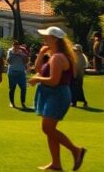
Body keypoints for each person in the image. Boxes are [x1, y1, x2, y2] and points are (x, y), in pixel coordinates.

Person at [28, 27, 86, 171]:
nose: (44, 39)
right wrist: (40, 55)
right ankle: (56, 163)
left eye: (46, 37)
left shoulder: (58, 57)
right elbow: (39, 70)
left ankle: (76, 150)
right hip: (53, 95)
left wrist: (37, 80)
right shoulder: (55, 55)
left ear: (54, 39)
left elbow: (53, 81)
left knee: (47, 128)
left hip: (57, 95)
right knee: (50, 129)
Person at [7, 40, 30, 109]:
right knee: (12, 88)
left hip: (21, 72)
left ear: (19, 46)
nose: (16, 46)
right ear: (13, 45)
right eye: (14, 45)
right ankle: (12, 103)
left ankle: (23, 103)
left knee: (23, 88)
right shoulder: (10, 51)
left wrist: (22, 55)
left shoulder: (22, 52)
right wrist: (13, 54)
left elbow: (26, 61)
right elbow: (8, 61)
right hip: (12, 72)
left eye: (17, 45)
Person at [70, 43, 88, 108]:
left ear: (80, 50)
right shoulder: (75, 56)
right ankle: (74, 102)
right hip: (74, 75)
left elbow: (78, 67)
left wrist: (74, 74)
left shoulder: (82, 57)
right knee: (74, 89)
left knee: (77, 89)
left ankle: (80, 101)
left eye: (76, 50)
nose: (74, 51)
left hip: (78, 76)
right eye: (74, 50)